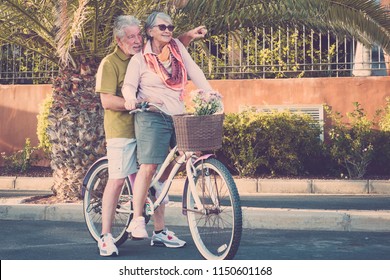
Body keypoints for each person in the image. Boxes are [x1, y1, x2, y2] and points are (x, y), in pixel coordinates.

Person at [95, 14, 207, 257]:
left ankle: (159, 230)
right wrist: (136, 102)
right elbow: (106, 100)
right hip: (122, 129)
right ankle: (105, 235)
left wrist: (187, 36)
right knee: (117, 178)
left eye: (138, 36)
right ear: (119, 39)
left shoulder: (146, 54)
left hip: (150, 121)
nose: (136, 40)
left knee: (157, 176)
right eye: (130, 37)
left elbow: (172, 46)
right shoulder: (111, 63)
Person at [122, 12, 213, 248]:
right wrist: (131, 99)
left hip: (178, 115)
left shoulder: (176, 50)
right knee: (150, 165)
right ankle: (139, 219)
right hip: (151, 115)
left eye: (171, 27)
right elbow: (129, 86)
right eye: (162, 26)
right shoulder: (139, 59)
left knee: (177, 162)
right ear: (150, 31)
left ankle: (157, 191)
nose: (168, 30)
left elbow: (194, 71)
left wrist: (209, 92)